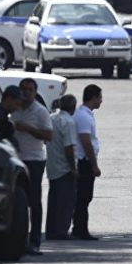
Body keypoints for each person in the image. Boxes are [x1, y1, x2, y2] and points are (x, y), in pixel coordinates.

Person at [11, 78, 54, 255]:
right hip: (16, 160)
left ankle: (35, 241)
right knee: (18, 201)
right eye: (24, 89)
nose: (27, 93)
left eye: (30, 90)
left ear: (35, 92)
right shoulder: (15, 109)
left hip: (35, 160)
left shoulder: (40, 111)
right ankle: (18, 240)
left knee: (34, 201)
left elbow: (49, 136)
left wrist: (28, 128)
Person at [45, 94, 79, 241]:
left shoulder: (52, 119)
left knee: (54, 200)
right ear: (73, 107)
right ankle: (61, 231)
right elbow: (69, 147)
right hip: (64, 168)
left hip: (52, 165)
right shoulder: (68, 122)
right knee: (65, 201)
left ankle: (51, 230)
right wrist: (73, 168)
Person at [72, 85, 103, 241]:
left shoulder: (85, 114)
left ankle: (79, 227)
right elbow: (86, 142)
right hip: (84, 161)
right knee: (84, 197)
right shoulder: (83, 116)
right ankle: (80, 229)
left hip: (84, 160)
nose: (101, 101)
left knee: (84, 197)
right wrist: (94, 164)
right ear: (94, 97)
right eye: (100, 97)